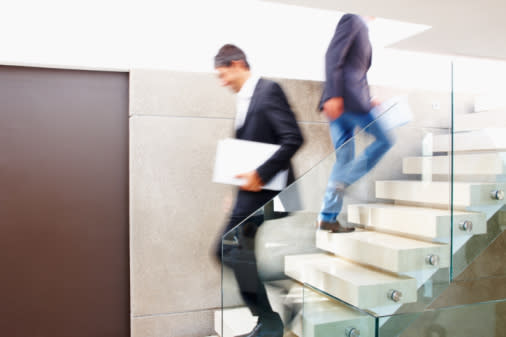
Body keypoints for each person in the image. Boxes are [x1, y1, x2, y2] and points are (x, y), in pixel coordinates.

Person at [213, 44, 303, 337]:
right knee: (234, 255)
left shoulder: (268, 91)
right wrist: (236, 189)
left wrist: (259, 175)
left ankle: (271, 316)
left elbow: (293, 138)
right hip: (248, 195)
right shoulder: (245, 99)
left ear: (238, 63)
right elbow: (245, 149)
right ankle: (276, 310)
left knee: (229, 251)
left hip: (266, 195)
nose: (222, 81)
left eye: (223, 73)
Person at [318, 14, 394, 232]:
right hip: (345, 101)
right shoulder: (353, 19)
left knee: (344, 158)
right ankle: (346, 180)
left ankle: (327, 217)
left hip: (348, 100)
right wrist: (333, 94)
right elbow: (332, 55)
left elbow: (356, 72)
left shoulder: (364, 30)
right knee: (385, 139)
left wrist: (369, 99)